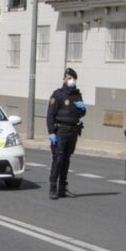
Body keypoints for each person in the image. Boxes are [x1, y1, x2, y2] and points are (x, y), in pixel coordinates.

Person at [46, 68, 87, 200]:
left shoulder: (77, 95)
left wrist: (83, 109)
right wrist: (51, 132)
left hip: (73, 130)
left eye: (73, 78)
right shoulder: (58, 95)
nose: (71, 80)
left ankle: (62, 188)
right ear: (64, 78)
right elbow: (50, 115)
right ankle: (53, 188)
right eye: (69, 78)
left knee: (66, 160)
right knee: (58, 159)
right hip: (60, 131)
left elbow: (80, 113)